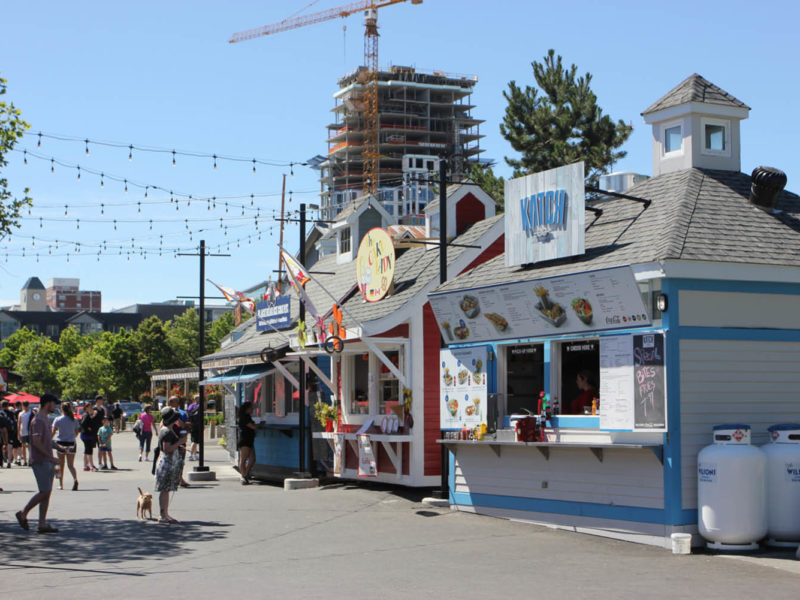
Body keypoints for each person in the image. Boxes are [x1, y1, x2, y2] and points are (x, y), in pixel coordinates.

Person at [16, 393, 66, 534]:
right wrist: (50, 457)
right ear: (47, 403)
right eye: (53, 403)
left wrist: (60, 448)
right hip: (40, 461)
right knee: (44, 492)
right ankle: (23, 512)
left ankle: (42, 524)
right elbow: (37, 442)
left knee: (47, 492)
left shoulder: (46, 419)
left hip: (47, 460)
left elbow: (47, 440)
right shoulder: (37, 420)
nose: (55, 406)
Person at [154, 407, 187, 523]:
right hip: (167, 463)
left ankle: (165, 514)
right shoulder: (167, 431)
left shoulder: (168, 429)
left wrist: (178, 445)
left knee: (166, 489)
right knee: (164, 489)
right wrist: (179, 442)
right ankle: (163, 515)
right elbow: (166, 448)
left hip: (169, 462)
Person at [52, 401, 80, 490]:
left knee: (59, 465)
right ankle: (75, 479)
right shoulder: (74, 419)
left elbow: (53, 431)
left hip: (61, 443)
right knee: (71, 465)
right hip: (71, 443)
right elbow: (76, 432)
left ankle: (61, 484)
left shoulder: (58, 419)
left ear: (61, 409)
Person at [168, 396, 190, 488]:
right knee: (170, 460)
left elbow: (185, 425)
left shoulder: (182, 413)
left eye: (177, 401)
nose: (176, 403)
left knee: (180, 460)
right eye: (173, 401)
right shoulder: (167, 412)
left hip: (180, 439)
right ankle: (172, 478)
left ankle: (180, 478)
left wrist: (177, 417)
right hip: (169, 439)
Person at [237, 401, 257, 485]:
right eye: (251, 407)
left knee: (252, 458)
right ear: (247, 409)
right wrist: (260, 425)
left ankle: (246, 473)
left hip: (250, 439)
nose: (253, 409)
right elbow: (253, 427)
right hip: (245, 439)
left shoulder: (248, 416)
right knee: (243, 458)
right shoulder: (244, 417)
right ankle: (243, 476)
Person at [79, 404, 99, 471]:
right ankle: (91, 466)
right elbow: (83, 423)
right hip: (86, 435)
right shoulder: (86, 414)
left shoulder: (87, 414)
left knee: (87, 450)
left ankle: (85, 466)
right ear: (86, 408)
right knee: (89, 450)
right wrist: (88, 428)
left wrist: (93, 416)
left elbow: (88, 421)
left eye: (91, 407)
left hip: (86, 435)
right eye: (89, 407)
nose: (91, 408)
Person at [187, 394, 202, 461]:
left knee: (195, 441)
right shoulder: (197, 406)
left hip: (193, 424)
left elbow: (188, 413)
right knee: (194, 440)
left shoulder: (191, 406)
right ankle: (191, 454)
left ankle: (194, 454)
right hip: (196, 425)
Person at [18, 401, 33, 466]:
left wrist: (18, 433)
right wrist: (18, 433)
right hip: (25, 432)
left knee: (26, 447)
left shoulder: (29, 413)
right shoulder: (22, 413)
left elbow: (18, 424)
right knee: (26, 447)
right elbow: (19, 424)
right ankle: (27, 460)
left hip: (26, 432)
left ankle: (27, 460)